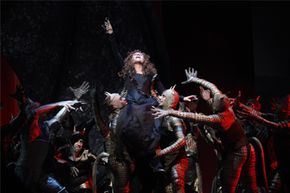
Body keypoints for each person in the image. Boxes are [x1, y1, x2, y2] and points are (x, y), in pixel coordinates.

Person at [152, 67, 259, 193]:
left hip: (238, 151)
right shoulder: (225, 106)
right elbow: (211, 85)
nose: (212, 98)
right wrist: (194, 79)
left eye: (213, 100)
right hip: (247, 147)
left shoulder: (219, 118)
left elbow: (191, 116)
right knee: (251, 186)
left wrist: (169, 111)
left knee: (228, 186)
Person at [155, 86, 189, 193]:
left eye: (163, 96)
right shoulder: (163, 116)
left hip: (177, 163)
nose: (160, 97)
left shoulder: (174, 119)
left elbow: (182, 140)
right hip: (167, 162)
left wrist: (162, 152)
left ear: (170, 101)